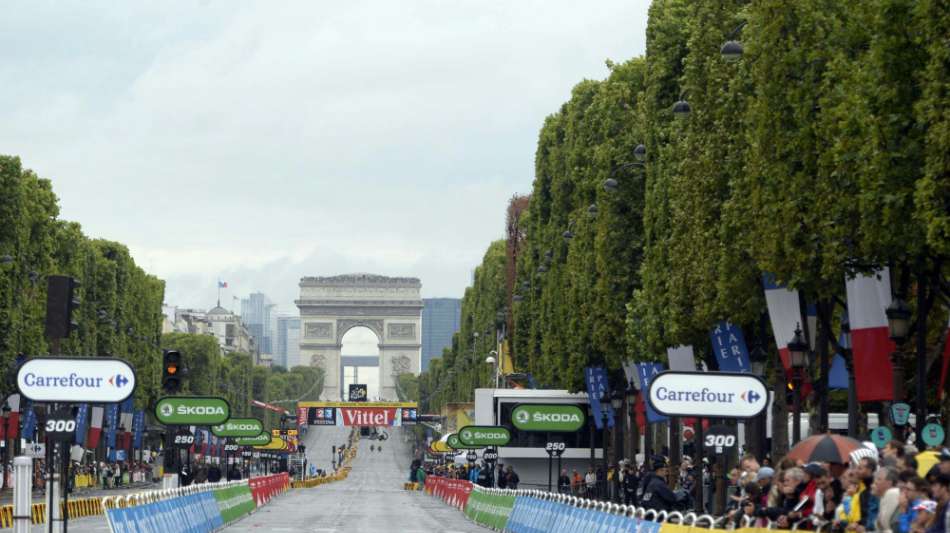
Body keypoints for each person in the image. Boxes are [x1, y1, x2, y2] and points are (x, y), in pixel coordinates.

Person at [873, 467, 902, 533]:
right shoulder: (884, 496)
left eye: (879, 479)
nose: (875, 482)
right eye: (875, 478)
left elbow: (885, 525)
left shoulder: (892, 493)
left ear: (889, 483)